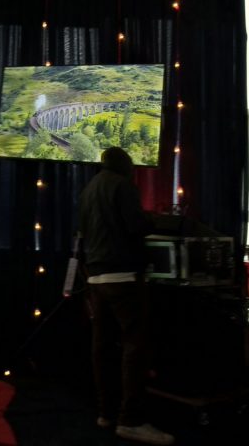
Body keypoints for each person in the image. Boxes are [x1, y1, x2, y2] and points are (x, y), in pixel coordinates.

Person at [77, 146, 173, 446]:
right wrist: (154, 220)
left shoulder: (88, 189)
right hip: (123, 276)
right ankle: (131, 420)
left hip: (96, 277)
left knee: (102, 347)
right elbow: (136, 226)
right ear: (125, 165)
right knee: (135, 345)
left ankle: (106, 413)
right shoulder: (123, 185)